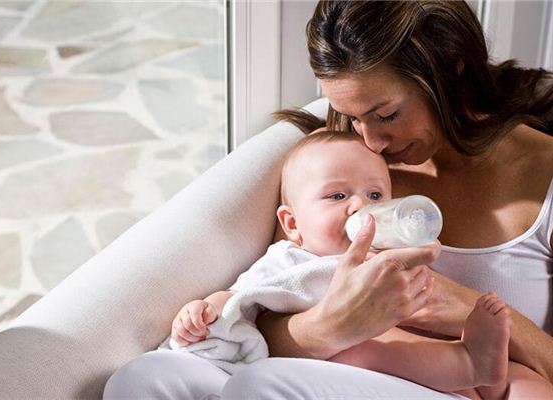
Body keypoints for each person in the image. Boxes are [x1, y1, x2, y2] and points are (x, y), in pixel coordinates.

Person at [104, 1, 553, 398]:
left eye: (386, 115)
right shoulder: (341, 162)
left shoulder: (543, 176)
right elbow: (277, 298)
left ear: (453, 69)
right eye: (353, 117)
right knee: (144, 381)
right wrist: (332, 325)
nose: (372, 141)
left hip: (464, 383)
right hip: (324, 370)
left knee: (262, 387)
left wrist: (474, 311)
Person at [168, 130, 523, 400]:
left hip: (403, 378)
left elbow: (425, 315)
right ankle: (469, 368)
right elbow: (238, 300)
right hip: (327, 376)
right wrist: (205, 311)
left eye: (375, 196)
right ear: (292, 225)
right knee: (353, 350)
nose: (359, 207)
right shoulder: (287, 260)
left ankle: (471, 366)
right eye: (338, 196)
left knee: (371, 344)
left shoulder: (388, 257)